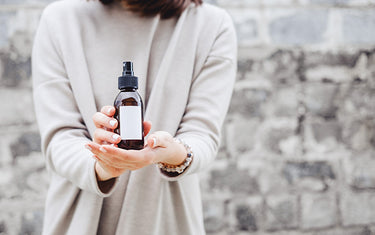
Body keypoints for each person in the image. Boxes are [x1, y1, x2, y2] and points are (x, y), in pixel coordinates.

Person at [32, 0, 237, 234]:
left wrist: (173, 153)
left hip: (165, 220)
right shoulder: (60, 20)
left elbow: (203, 134)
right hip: (80, 220)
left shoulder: (211, 25)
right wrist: (102, 165)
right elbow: (59, 137)